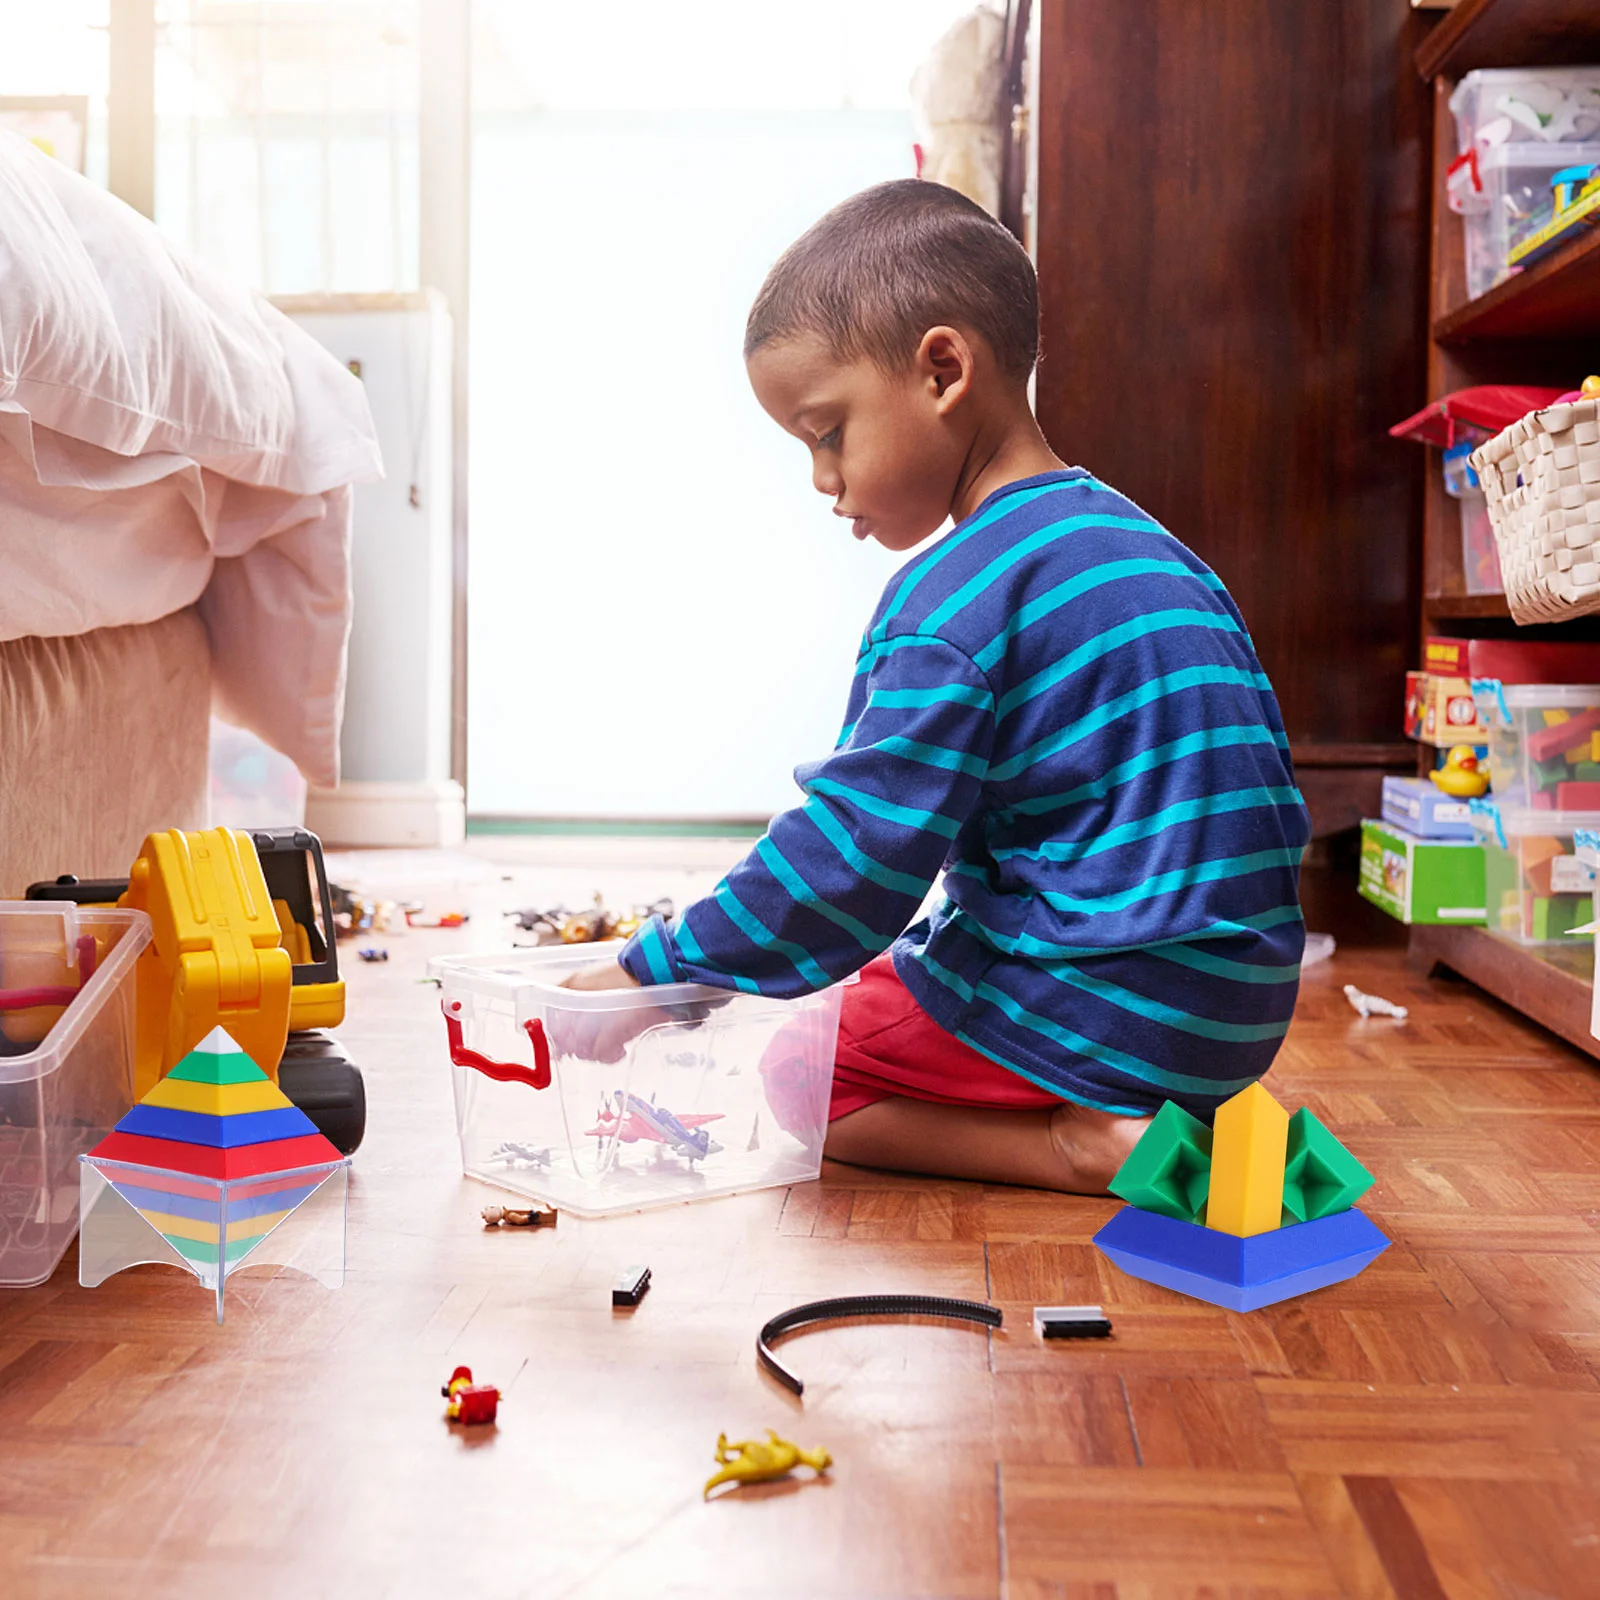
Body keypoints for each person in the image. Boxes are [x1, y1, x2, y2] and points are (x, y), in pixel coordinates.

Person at [564, 179, 1310, 1194]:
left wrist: (651, 974)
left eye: (827, 433)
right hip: (1241, 1006)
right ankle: (1135, 1102)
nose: (822, 480)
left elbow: (852, 863)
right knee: (899, 971)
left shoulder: (948, 602)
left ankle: (1083, 1142)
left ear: (942, 370)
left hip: (1108, 1008)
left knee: (802, 1067)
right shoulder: (1151, 549)